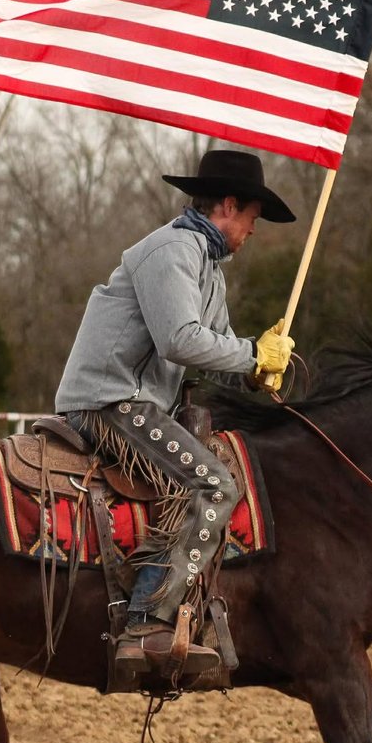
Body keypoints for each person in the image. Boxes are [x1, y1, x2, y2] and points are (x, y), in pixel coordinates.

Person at [55, 149, 296, 681]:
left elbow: (216, 345)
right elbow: (180, 339)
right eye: (253, 218)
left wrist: (256, 368)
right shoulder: (171, 250)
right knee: (214, 485)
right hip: (108, 403)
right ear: (228, 206)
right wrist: (254, 353)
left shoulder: (207, 266)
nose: (253, 231)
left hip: (134, 403)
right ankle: (145, 624)